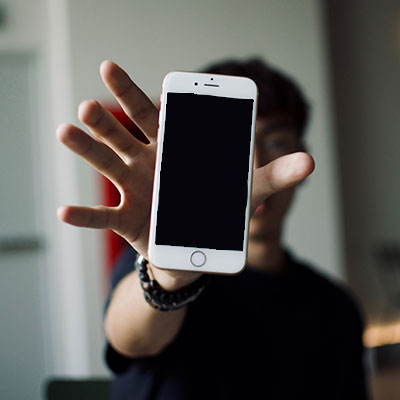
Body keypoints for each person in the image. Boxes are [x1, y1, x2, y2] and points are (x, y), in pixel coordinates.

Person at [57, 58, 369, 399]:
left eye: (276, 142)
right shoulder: (156, 260)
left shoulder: (335, 308)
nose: (254, 165)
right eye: (235, 141)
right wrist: (169, 279)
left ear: (302, 155)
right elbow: (131, 337)